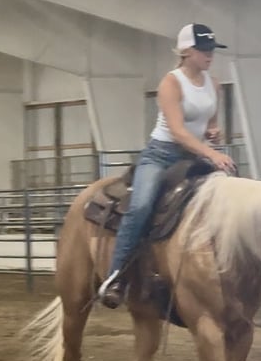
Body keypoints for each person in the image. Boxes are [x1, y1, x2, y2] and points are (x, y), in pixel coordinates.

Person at [98, 23, 234, 308]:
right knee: (141, 206)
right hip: (161, 155)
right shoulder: (171, 83)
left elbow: (210, 121)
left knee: (229, 198)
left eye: (212, 49)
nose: (210, 55)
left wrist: (213, 132)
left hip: (194, 155)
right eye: (204, 49)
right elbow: (178, 132)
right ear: (187, 52)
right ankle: (116, 276)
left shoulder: (214, 84)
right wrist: (212, 154)